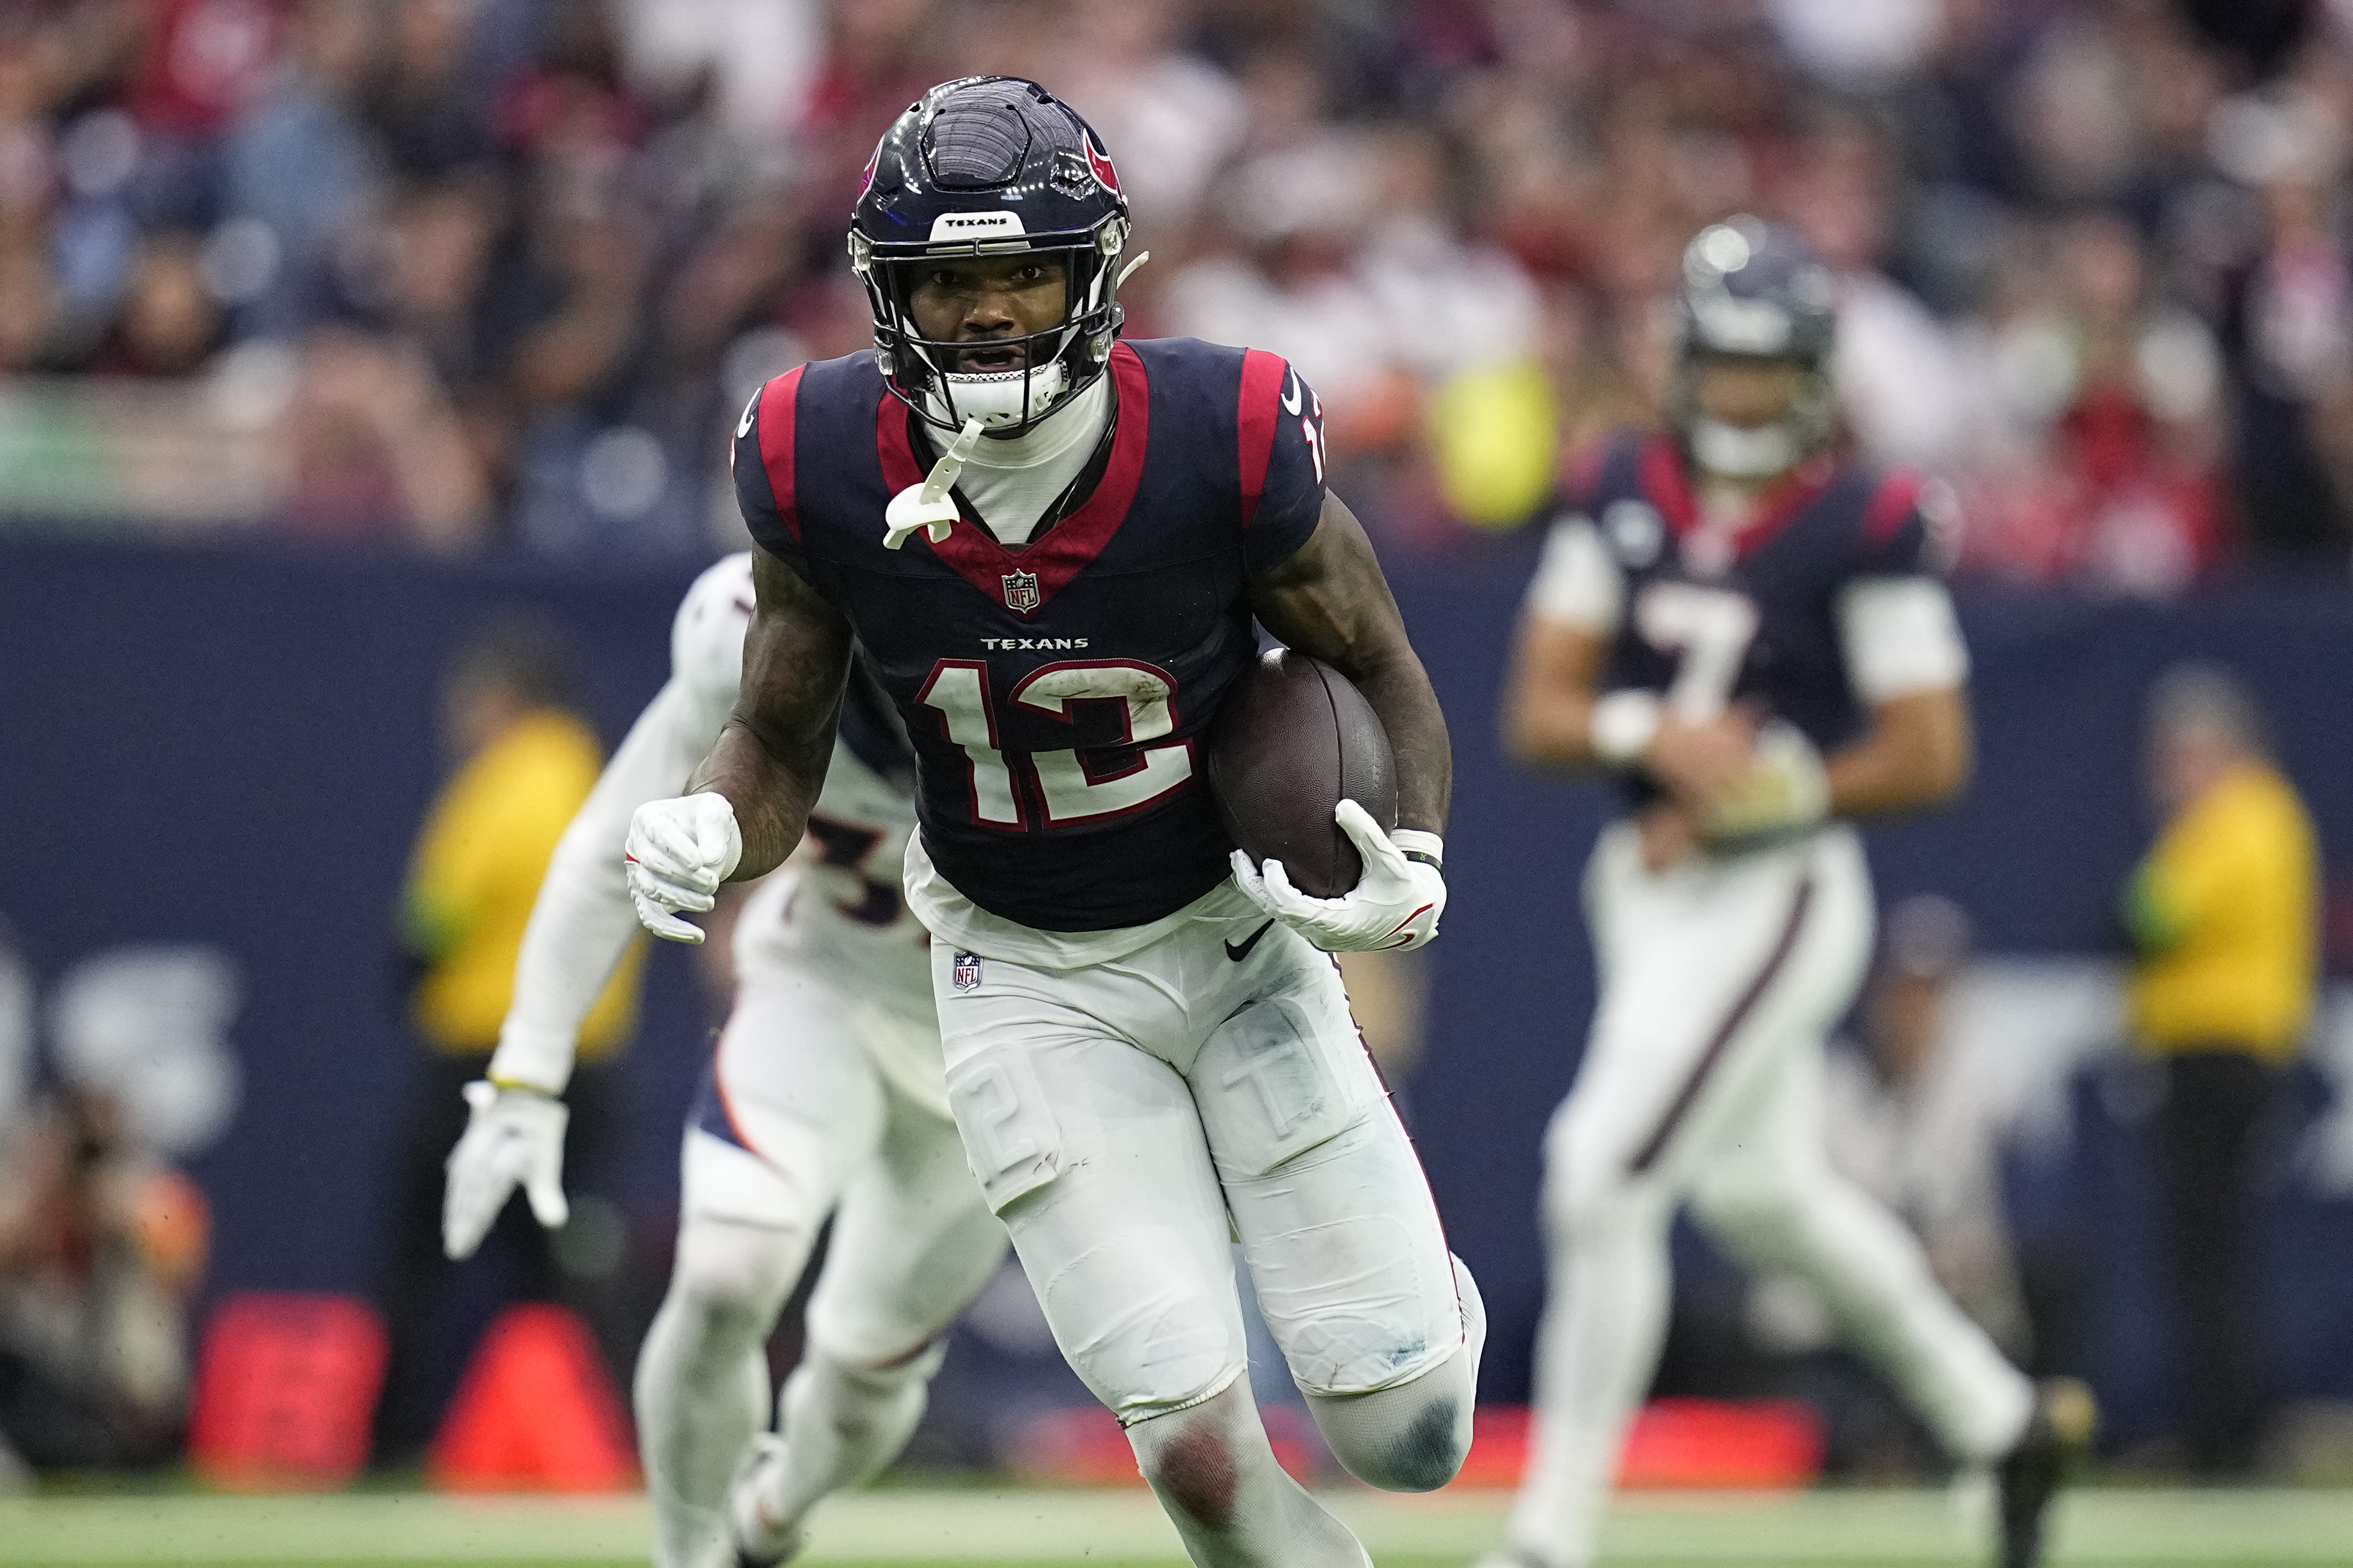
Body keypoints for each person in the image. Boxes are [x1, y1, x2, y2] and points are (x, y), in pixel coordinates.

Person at [623, 76, 1483, 1568]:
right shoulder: (816, 452)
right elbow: (774, 732)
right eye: (952, 285)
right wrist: (710, 824)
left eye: (1022, 275)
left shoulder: (1222, 432)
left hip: (1229, 949)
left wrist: (1410, 845)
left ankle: (1416, 1306)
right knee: (1199, 1451)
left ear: (1095, 276)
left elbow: (1379, 664)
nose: (990, 319)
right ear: (892, 298)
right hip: (1019, 976)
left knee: (1415, 1437)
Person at [1488, 217, 2090, 1568]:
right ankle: (1998, 1422)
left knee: (1601, 1174)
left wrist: (1768, 788)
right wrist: (1655, 741)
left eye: (1767, 370)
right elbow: (1538, 710)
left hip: (1776, 892)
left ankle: (1548, 1538)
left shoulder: (1860, 520)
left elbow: (1930, 748)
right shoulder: (1617, 485)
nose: (1742, 396)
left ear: (1812, 372)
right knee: (1765, 1200)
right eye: (1722, 365)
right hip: (1642, 885)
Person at [440, 554, 1008, 1568]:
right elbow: (606, 846)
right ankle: (688, 1553)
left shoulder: (1076, 636)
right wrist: (526, 1072)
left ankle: (772, 1520)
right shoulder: (747, 625)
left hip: (1003, 1037)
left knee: (866, 1372)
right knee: (726, 1272)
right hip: (822, 982)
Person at [373, 619, 638, 1464]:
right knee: (555, 1269)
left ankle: (392, 1438)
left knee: (419, 1254)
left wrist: (410, 975)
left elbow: (431, 921)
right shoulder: (597, 781)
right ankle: (601, 1440)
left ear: (504, 701)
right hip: (583, 1067)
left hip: (483, 1062)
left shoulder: (504, 785)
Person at [2122, 662, 2318, 1475]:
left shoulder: (2244, 815)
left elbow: (2150, 914)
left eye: (2182, 753)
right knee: (2207, 1252)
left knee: (2207, 1254)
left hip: (2219, 1056)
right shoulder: (2251, 815)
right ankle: (2227, 1424)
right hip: (2223, 1055)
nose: (2169, 771)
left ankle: (2229, 1434)